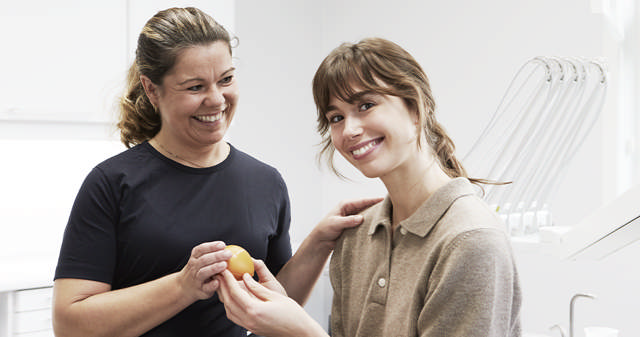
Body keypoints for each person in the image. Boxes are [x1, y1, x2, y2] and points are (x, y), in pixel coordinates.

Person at [52, 7, 380, 337]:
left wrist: (320, 242)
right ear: (152, 89)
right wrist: (183, 286)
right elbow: (70, 325)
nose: (216, 100)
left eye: (226, 79)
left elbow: (273, 307)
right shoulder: (111, 183)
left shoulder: (266, 182)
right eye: (195, 87)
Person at [216, 37, 522, 337]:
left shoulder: (471, 240)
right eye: (336, 117)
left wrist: (303, 332)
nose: (349, 129)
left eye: (365, 105)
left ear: (415, 107)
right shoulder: (356, 236)